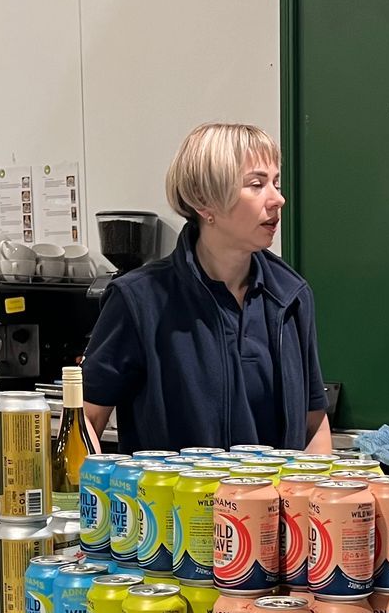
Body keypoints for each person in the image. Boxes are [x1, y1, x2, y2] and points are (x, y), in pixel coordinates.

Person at [82, 124, 332, 453]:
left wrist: (318, 494)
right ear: (204, 201)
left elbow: (313, 423)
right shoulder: (140, 300)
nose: (278, 199)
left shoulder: (291, 295)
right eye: (256, 184)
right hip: (171, 503)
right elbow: (86, 418)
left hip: (275, 503)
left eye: (276, 183)